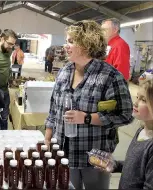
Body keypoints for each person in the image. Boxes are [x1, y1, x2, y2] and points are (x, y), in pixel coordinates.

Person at [44, 20, 133, 189]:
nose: (66, 45)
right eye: (67, 40)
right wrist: (47, 139)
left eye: (71, 41)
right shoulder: (64, 72)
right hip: (63, 153)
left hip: (94, 157)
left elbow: (125, 115)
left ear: (87, 44)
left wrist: (87, 118)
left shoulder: (110, 77)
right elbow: (54, 109)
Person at [97, 79, 153, 189]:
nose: (135, 103)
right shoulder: (141, 131)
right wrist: (115, 165)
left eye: (143, 100)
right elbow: (135, 168)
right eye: (137, 97)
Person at [0, 29, 18, 130]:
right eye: (10, 44)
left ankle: (4, 138)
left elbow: (7, 67)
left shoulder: (9, 50)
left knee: (4, 118)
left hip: (5, 90)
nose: (11, 47)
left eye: (13, 45)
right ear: (2, 39)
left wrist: (10, 78)